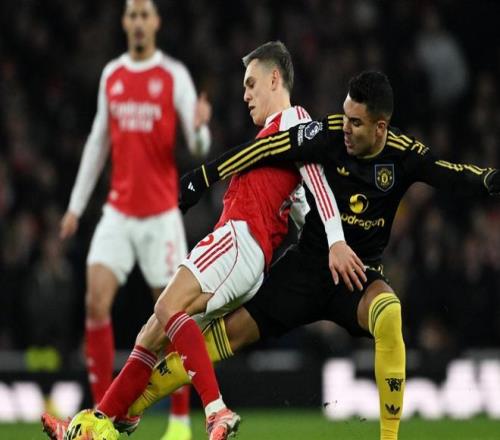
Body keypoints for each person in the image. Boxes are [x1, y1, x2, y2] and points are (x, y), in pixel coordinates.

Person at [126, 71, 500, 440]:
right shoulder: (327, 133)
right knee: (225, 337)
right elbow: (264, 149)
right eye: (345, 116)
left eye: (356, 122)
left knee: (389, 313)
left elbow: (452, 174)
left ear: (381, 128)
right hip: (306, 268)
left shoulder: (404, 154)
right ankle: (131, 406)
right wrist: (204, 177)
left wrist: (489, 180)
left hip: (357, 275)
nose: (346, 128)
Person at [42, 41, 365, 440]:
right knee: (151, 335)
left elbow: (318, 185)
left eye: (251, 84)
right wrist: (322, 252)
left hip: (238, 240)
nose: (245, 95)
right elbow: (303, 209)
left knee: (166, 306)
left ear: (275, 79)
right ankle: (97, 422)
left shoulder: (295, 120)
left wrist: (336, 242)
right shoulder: (272, 143)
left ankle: (217, 411)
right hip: (248, 257)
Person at [55, 0, 212, 439]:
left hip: (161, 214)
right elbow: (97, 142)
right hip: (119, 212)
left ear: (155, 22)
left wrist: (201, 128)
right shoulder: (113, 75)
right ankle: (98, 418)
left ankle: (179, 422)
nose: (139, 22)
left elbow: (197, 145)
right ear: (125, 23)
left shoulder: (173, 76)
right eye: (133, 15)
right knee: (95, 301)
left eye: (146, 15)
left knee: (171, 316)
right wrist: (75, 207)